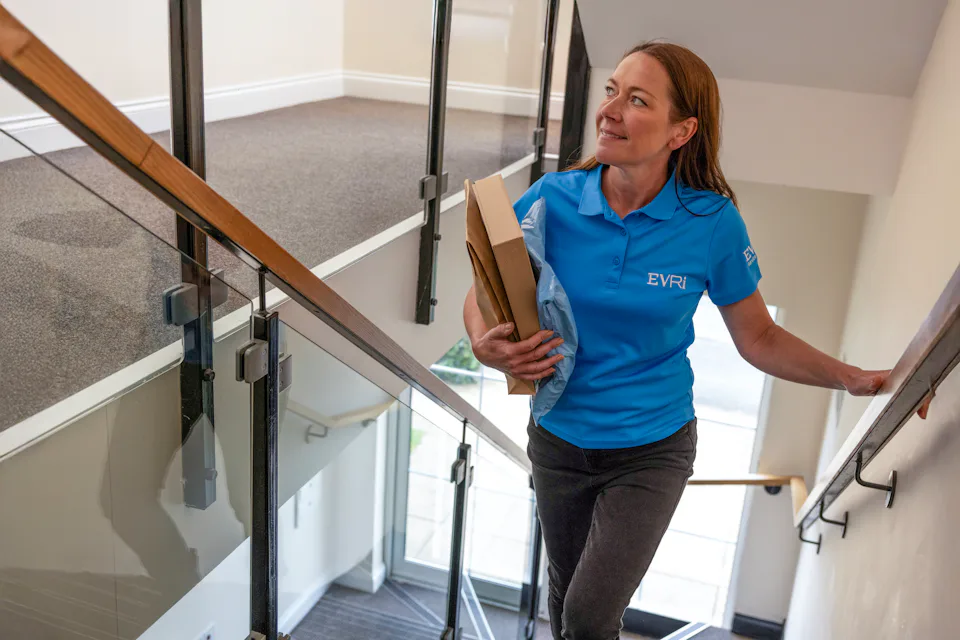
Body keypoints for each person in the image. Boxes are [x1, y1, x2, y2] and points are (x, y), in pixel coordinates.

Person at [462, 42, 893, 640]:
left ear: (681, 130)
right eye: (611, 91)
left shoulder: (711, 222)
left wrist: (850, 377)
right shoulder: (552, 199)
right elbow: (482, 288)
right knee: (565, 593)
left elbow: (760, 337)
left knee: (587, 615)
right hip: (557, 438)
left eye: (637, 100)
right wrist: (482, 343)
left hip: (651, 448)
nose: (609, 109)